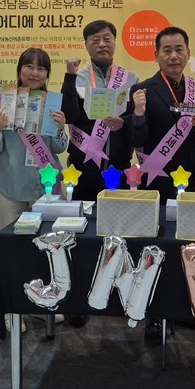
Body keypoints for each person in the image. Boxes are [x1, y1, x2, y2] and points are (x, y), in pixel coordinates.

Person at [128, 26, 195, 344]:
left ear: (189, 53)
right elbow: (135, 138)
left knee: (191, 246)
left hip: (192, 177)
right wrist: (138, 113)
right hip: (158, 180)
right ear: (156, 55)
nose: (174, 55)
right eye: (167, 50)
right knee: (156, 247)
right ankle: (154, 314)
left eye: (179, 49)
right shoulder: (142, 89)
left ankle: (190, 309)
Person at [0, 47, 68, 333]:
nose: (34, 73)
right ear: (19, 70)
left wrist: (60, 128)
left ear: (47, 74)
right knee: (10, 252)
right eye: (29, 67)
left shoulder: (52, 104)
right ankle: (10, 309)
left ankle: (39, 304)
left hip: (46, 191)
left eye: (41, 68)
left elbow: (59, 148)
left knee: (45, 251)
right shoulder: (3, 103)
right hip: (10, 188)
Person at [61, 20, 139, 328]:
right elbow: (70, 114)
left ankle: (118, 295)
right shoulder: (78, 78)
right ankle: (78, 300)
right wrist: (68, 78)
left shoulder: (130, 79)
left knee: (119, 234)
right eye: (95, 40)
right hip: (83, 168)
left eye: (107, 38)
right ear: (87, 45)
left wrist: (126, 121)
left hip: (117, 166)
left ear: (115, 42)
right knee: (81, 235)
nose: (102, 44)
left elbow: (137, 118)